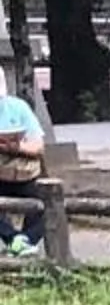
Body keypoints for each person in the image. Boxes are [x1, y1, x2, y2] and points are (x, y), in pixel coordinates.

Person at [0, 79, 46, 248]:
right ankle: (13, 239)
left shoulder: (18, 107)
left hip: (23, 173)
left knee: (48, 206)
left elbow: (38, 147)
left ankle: (25, 241)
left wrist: (17, 147)